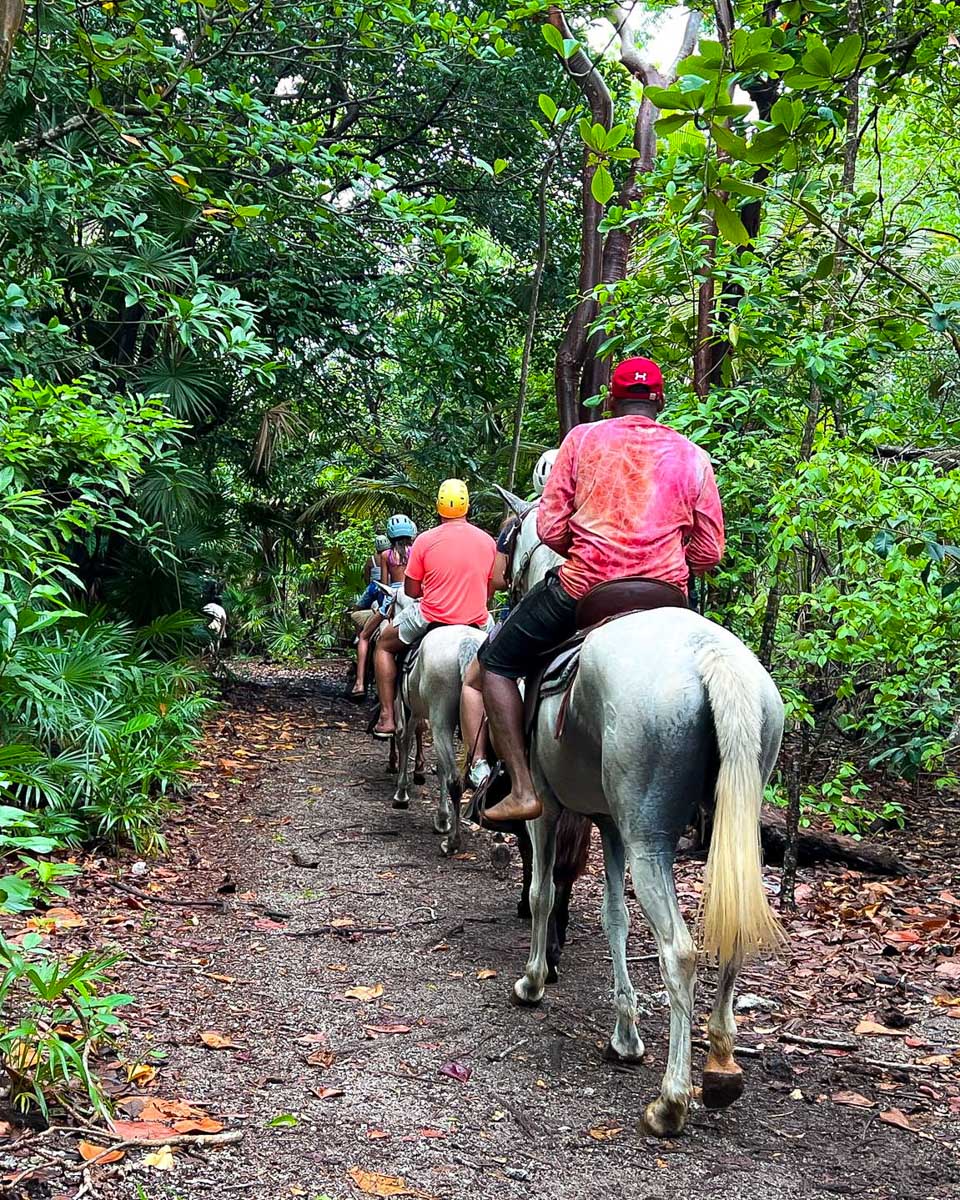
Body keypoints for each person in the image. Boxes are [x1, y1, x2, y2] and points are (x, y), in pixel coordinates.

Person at [478, 356, 725, 822]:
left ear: (611, 400)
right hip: (666, 596)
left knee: (496, 662)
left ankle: (523, 788)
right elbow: (709, 551)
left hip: (585, 589)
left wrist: (594, 546)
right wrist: (664, 557)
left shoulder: (582, 440)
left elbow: (550, 529)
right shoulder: (694, 456)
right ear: (661, 401)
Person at [460, 449, 559, 789]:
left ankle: (482, 765)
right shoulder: (590, 512)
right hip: (591, 607)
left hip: (540, 612)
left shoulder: (519, 520)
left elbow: (501, 579)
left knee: (477, 678)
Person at [372, 479, 497, 739]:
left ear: (438, 507)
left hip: (431, 616)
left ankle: (386, 716)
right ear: (467, 507)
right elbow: (492, 588)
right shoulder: (487, 541)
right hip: (478, 620)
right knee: (505, 659)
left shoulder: (425, 540)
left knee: (383, 645)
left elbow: (411, 591)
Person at [349, 515, 416, 700]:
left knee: (364, 636)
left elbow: (385, 583)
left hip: (392, 597)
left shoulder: (386, 555)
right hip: (412, 597)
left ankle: (360, 682)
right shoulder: (416, 551)